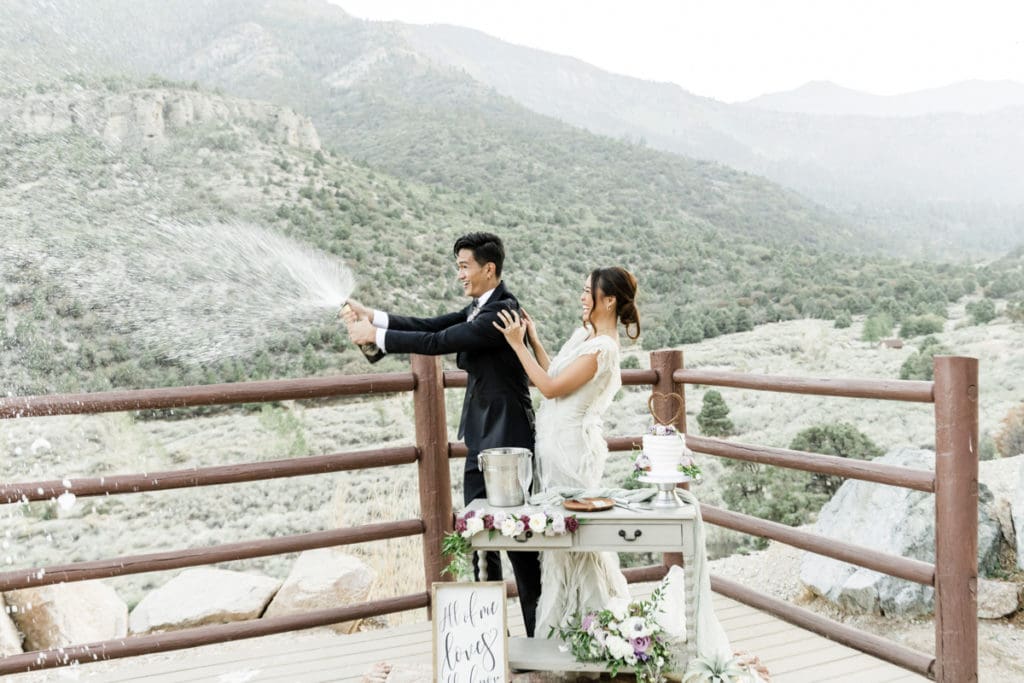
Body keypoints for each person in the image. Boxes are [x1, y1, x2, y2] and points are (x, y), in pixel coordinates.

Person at [343, 232, 542, 637]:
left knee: (520, 540)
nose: (460, 275)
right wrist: (375, 317)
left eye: (465, 267)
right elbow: (431, 324)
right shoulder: (479, 307)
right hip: (480, 434)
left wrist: (374, 338)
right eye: (458, 268)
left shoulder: (501, 313)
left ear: (489, 269)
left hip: (508, 436)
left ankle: (539, 630)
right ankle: (491, 636)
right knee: (478, 532)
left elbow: (436, 341)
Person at [492, 266, 640, 636]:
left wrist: (515, 345)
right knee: (561, 541)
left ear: (608, 300)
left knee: (575, 537)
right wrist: (535, 342)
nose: (582, 296)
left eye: (589, 291)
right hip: (554, 445)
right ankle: (571, 629)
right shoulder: (585, 336)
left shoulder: (603, 349)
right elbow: (553, 371)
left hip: (572, 451)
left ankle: (588, 626)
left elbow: (551, 388)